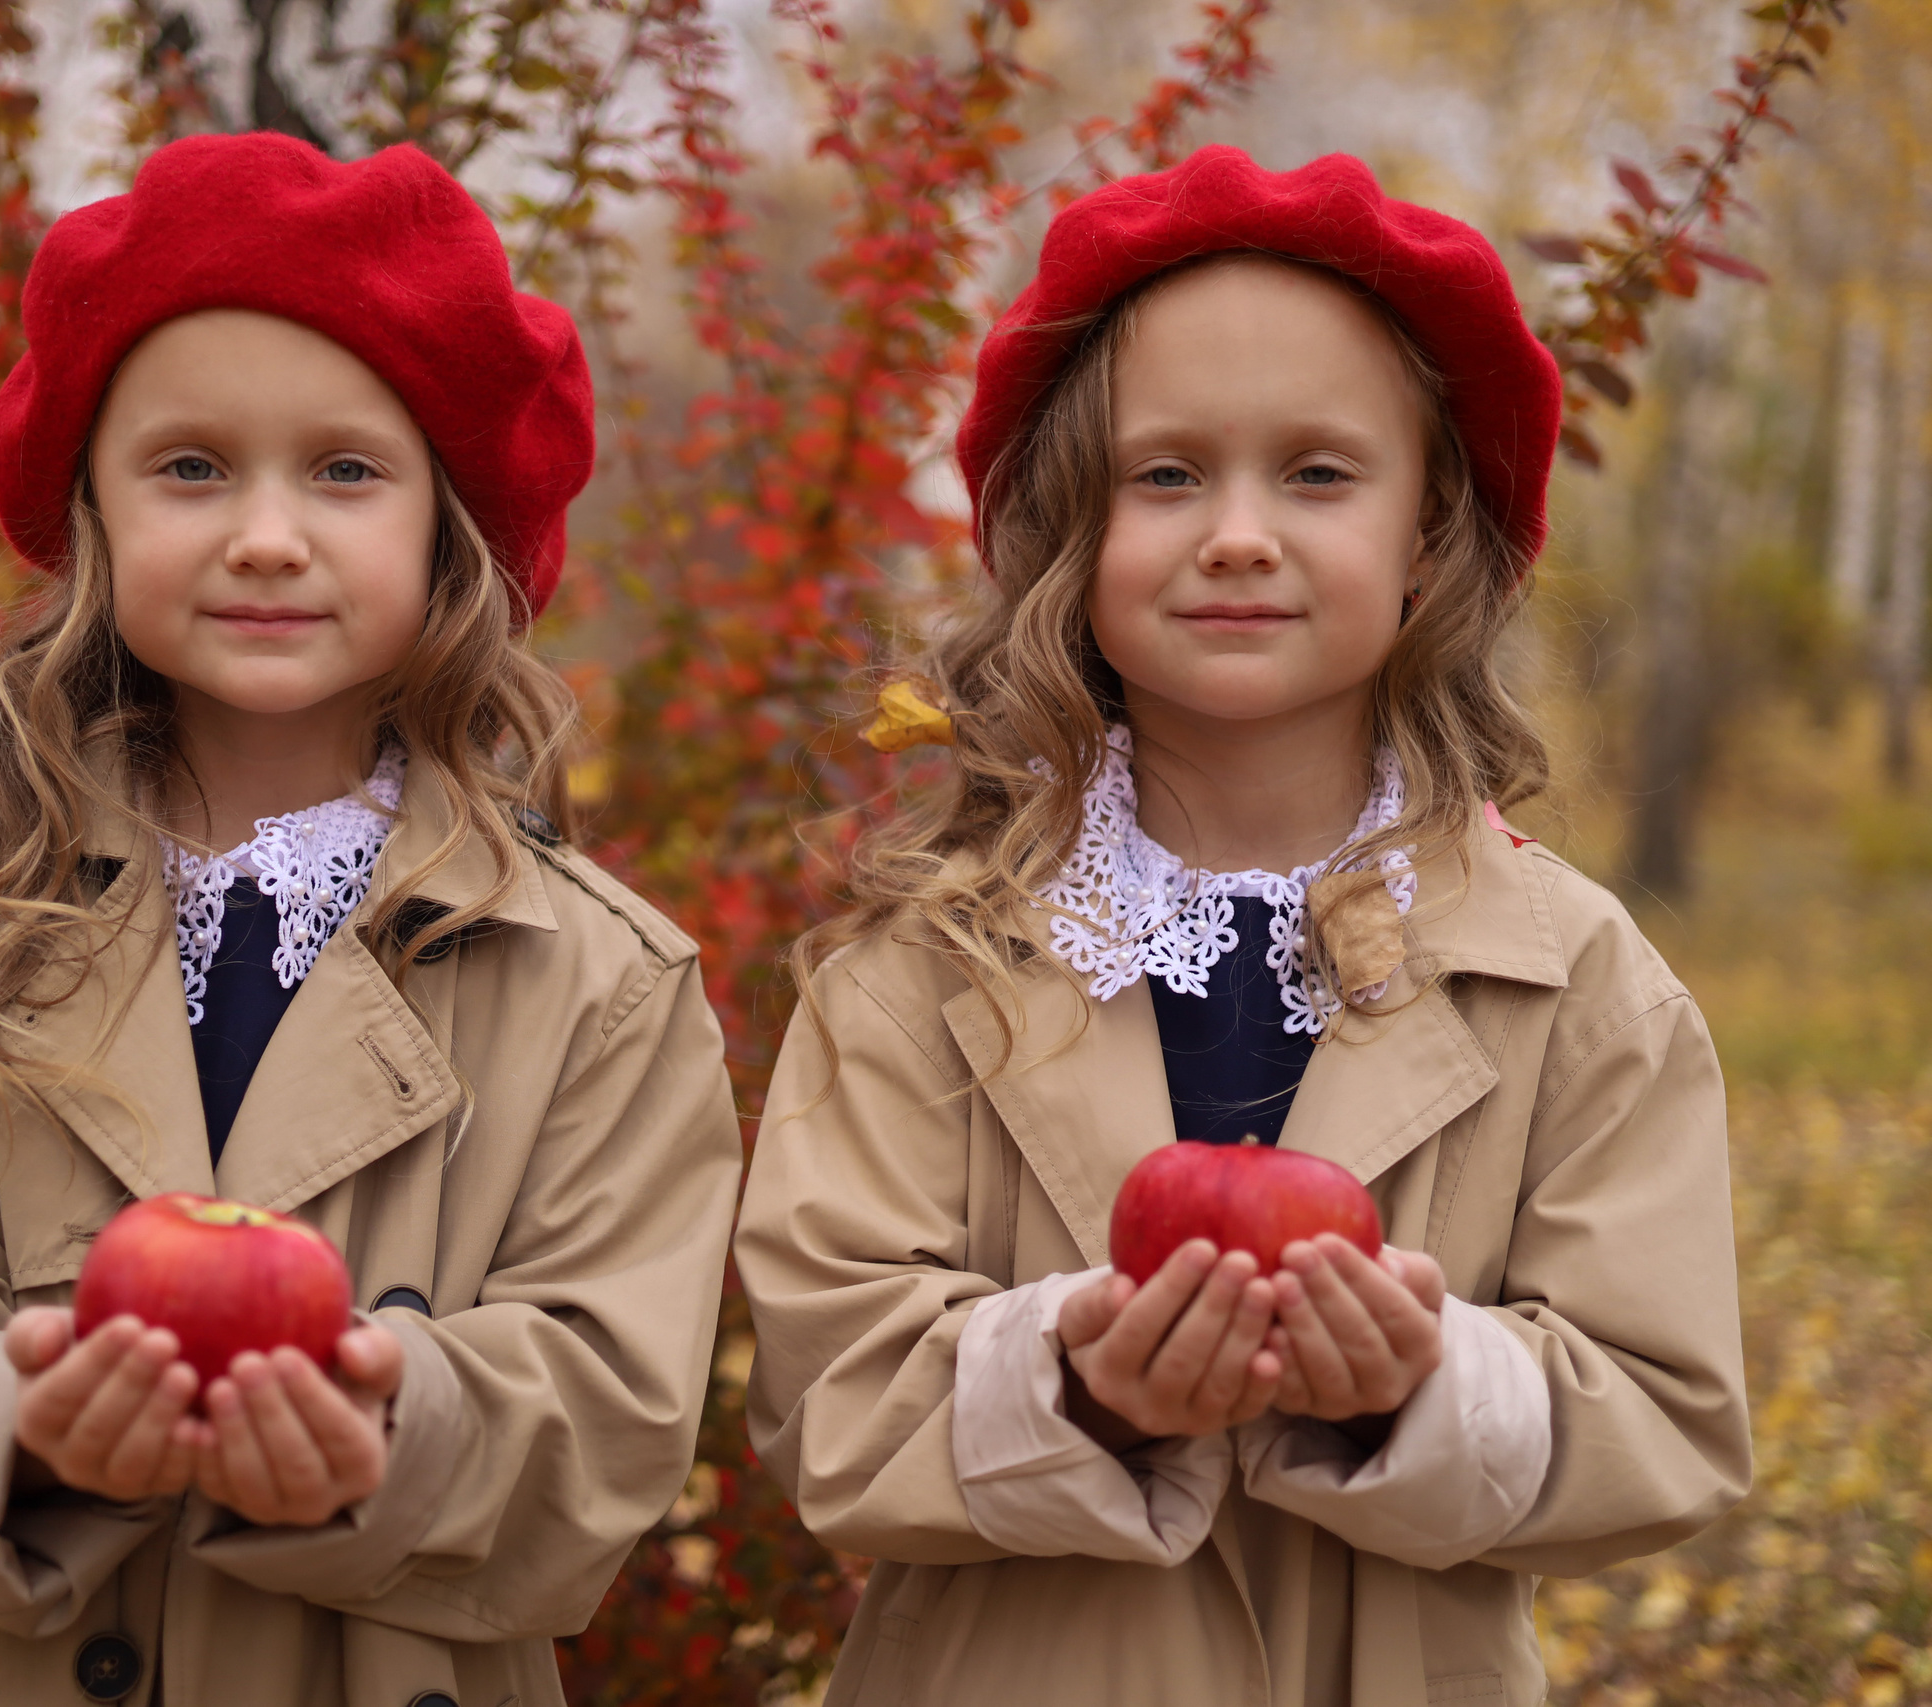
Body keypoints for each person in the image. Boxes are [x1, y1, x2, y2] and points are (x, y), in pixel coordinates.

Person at [0, 132, 743, 1707]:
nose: (268, 535)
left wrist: (389, 1424)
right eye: (191, 468)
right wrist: (16, 1421)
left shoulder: (593, 979)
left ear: (446, 529)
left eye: (345, 470)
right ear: (94, 518)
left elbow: (609, 1410)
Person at [734, 147, 1751, 1706]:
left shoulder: (1575, 978)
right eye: (1166, 475)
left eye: (1319, 474)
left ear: (1427, 544)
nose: (1238, 534)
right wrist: (1073, 1378)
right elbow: (827, 1400)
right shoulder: (919, 968)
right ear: (1071, 545)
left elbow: (1665, 1420)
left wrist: (1423, 1388)